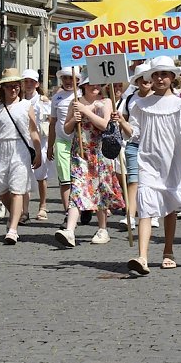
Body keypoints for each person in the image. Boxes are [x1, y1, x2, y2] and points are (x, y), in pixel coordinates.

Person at [126, 56, 181, 276]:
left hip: (173, 161)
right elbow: (135, 134)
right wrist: (121, 122)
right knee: (145, 206)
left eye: (164, 74)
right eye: (156, 74)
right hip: (148, 160)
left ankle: (168, 250)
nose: (159, 78)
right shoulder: (139, 104)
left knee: (169, 207)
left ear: (172, 77)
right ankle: (143, 257)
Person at [54, 74, 124, 248]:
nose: (95, 86)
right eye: (91, 83)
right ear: (83, 86)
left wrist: (85, 112)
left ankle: (102, 229)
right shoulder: (75, 102)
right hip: (81, 153)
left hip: (100, 153)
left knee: (100, 190)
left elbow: (104, 124)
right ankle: (70, 230)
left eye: (98, 83)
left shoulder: (106, 102)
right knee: (77, 189)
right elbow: (66, 129)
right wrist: (73, 120)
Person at [0, 68, 41, 245]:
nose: (13, 90)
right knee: (2, 189)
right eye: (9, 86)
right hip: (1, 149)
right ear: (3, 88)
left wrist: (38, 152)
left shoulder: (26, 106)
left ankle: (13, 230)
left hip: (20, 149)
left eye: (16, 86)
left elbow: (34, 131)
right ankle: (16, 214)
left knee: (17, 189)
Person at [115, 63, 152, 231]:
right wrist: (122, 123)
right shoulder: (129, 99)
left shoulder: (159, 97)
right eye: (142, 78)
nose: (146, 81)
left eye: (148, 77)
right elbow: (124, 120)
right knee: (133, 180)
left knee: (152, 181)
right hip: (134, 144)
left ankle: (152, 214)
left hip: (154, 146)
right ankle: (130, 216)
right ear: (136, 81)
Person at [47, 66, 79, 224]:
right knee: (65, 179)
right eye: (65, 78)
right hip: (61, 141)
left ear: (77, 80)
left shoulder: (81, 96)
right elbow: (52, 122)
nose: (68, 81)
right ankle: (68, 211)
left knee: (79, 177)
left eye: (71, 78)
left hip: (79, 142)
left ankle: (82, 207)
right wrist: (50, 145)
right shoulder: (56, 98)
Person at [22, 68, 52, 221]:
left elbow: (50, 120)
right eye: (26, 81)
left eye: (31, 82)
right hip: (23, 141)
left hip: (40, 140)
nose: (28, 84)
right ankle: (24, 210)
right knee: (24, 176)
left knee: (41, 175)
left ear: (37, 84)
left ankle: (43, 206)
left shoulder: (42, 101)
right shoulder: (19, 100)